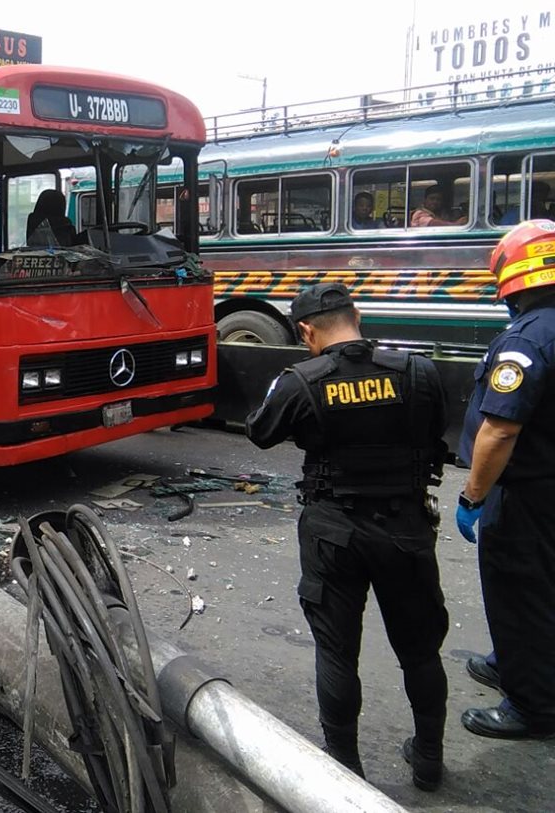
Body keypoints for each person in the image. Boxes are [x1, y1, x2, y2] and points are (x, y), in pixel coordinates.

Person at [246, 282, 450, 789]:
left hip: (334, 532)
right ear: (356, 315)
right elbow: (436, 433)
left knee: (337, 652)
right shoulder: (417, 371)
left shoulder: (302, 379)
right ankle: (428, 758)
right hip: (406, 528)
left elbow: (260, 431)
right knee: (421, 650)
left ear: (306, 331)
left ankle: (343, 768)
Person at [455, 218, 555, 741]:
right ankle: (512, 663)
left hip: (524, 494)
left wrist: (474, 494)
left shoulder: (527, 340)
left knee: (519, 592)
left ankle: (532, 706)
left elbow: (500, 430)